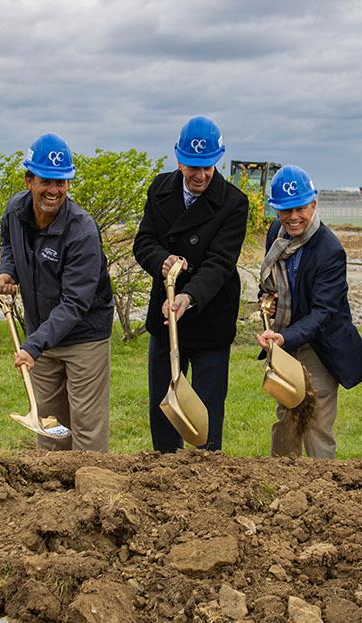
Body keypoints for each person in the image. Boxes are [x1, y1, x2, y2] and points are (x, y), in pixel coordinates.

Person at [133, 116, 249, 453]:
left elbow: (220, 263)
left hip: (209, 314)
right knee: (164, 400)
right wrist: (161, 260)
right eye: (192, 166)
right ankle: (164, 466)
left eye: (208, 167)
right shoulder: (159, 189)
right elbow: (144, 242)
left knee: (207, 410)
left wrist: (188, 296)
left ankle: (206, 475)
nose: (200, 175)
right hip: (165, 315)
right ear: (179, 159)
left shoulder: (233, 202)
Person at [0, 133, 114, 452]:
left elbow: (75, 303)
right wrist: (8, 271)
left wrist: (32, 346)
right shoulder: (14, 212)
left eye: (62, 182)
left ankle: (91, 497)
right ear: (29, 180)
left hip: (84, 337)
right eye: (47, 180)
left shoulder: (82, 231)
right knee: (51, 429)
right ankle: (52, 498)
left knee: (86, 429)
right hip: (42, 334)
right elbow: (8, 244)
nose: (54, 190)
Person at [258, 165, 362, 458]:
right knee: (286, 416)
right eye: (285, 211)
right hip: (287, 337)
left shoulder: (329, 250)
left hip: (319, 344)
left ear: (313, 204)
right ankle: (281, 481)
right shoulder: (277, 232)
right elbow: (273, 281)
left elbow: (323, 312)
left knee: (315, 422)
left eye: (300, 208)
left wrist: (284, 338)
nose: (294, 218)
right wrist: (268, 298)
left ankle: (324, 491)